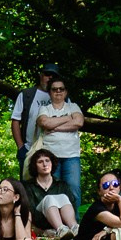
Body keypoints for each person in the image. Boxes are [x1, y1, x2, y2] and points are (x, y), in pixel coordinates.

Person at [34, 75, 87, 210]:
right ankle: (55, 225)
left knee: (73, 187)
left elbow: (79, 122)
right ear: (49, 92)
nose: (58, 91)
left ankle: (75, 224)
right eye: (54, 89)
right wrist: (68, 118)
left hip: (71, 155)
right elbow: (44, 122)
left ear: (66, 91)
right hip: (51, 156)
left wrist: (54, 126)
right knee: (53, 189)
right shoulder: (44, 109)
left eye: (61, 89)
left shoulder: (73, 106)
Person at [24, 148, 80, 240]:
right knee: (49, 198)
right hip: (40, 220)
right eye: (40, 162)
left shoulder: (62, 184)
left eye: (47, 161)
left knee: (62, 196)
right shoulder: (28, 186)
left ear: (52, 163)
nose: (45, 164)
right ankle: (61, 229)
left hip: (63, 219)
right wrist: (41, 231)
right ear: (35, 166)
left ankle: (75, 228)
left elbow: (72, 206)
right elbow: (29, 211)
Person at [10, 65, 55, 160]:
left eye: (54, 76)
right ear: (41, 75)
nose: (50, 78)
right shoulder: (26, 95)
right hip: (29, 150)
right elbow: (15, 120)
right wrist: (21, 147)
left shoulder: (62, 96)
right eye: (47, 74)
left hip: (54, 151)